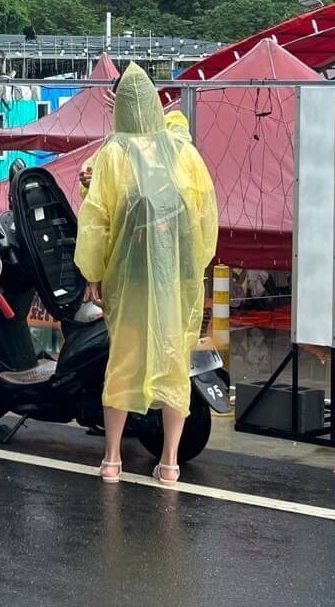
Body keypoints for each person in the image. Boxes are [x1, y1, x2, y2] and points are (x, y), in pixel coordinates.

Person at [75, 63, 218, 486]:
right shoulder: (184, 151)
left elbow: (96, 219)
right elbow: (205, 215)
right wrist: (195, 264)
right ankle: (170, 462)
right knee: (174, 362)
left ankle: (112, 459)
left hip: (129, 279)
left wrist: (94, 273)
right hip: (177, 279)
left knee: (123, 360)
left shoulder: (113, 154)